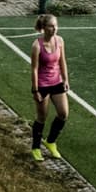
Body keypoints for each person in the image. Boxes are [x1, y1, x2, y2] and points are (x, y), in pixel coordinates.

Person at [29, 13, 70, 162]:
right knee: (42, 117)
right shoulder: (36, 46)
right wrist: (35, 90)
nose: (54, 29)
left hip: (57, 82)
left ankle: (51, 141)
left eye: (56, 25)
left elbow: (62, 61)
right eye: (51, 26)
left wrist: (65, 79)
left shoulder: (60, 41)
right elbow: (34, 69)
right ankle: (36, 147)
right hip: (42, 84)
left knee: (63, 113)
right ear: (44, 28)